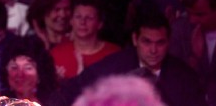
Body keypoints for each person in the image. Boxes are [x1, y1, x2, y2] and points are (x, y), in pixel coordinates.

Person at [57, 13, 207, 106]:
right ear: (135, 39)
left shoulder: (184, 77)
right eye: (147, 42)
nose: (153, 50)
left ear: (168, 42)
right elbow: (69, 92)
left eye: (160, 43)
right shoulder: (112, 67)